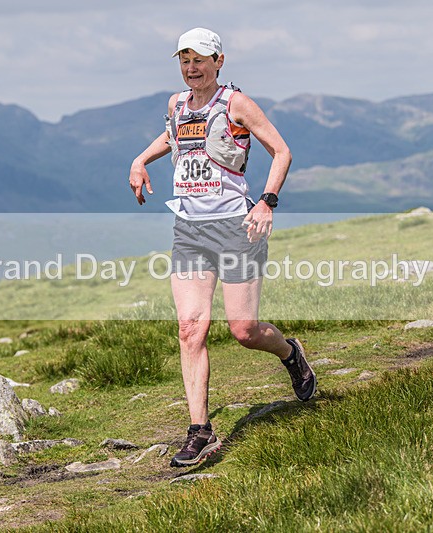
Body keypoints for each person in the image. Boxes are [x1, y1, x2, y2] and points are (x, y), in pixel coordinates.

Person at [128, 27, 317, 468]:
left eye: (200, 60)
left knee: (243, 330)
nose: (192, 68)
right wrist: (140, 160)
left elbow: (282, 151)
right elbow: (173, 137)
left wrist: (267, 202)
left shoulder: (236, 104)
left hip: (235, 229)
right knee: (189, 328)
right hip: (189, 231)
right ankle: (200, 430)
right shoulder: (177, 104)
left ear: (219, 61)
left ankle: (290, 354)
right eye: (185, 60)